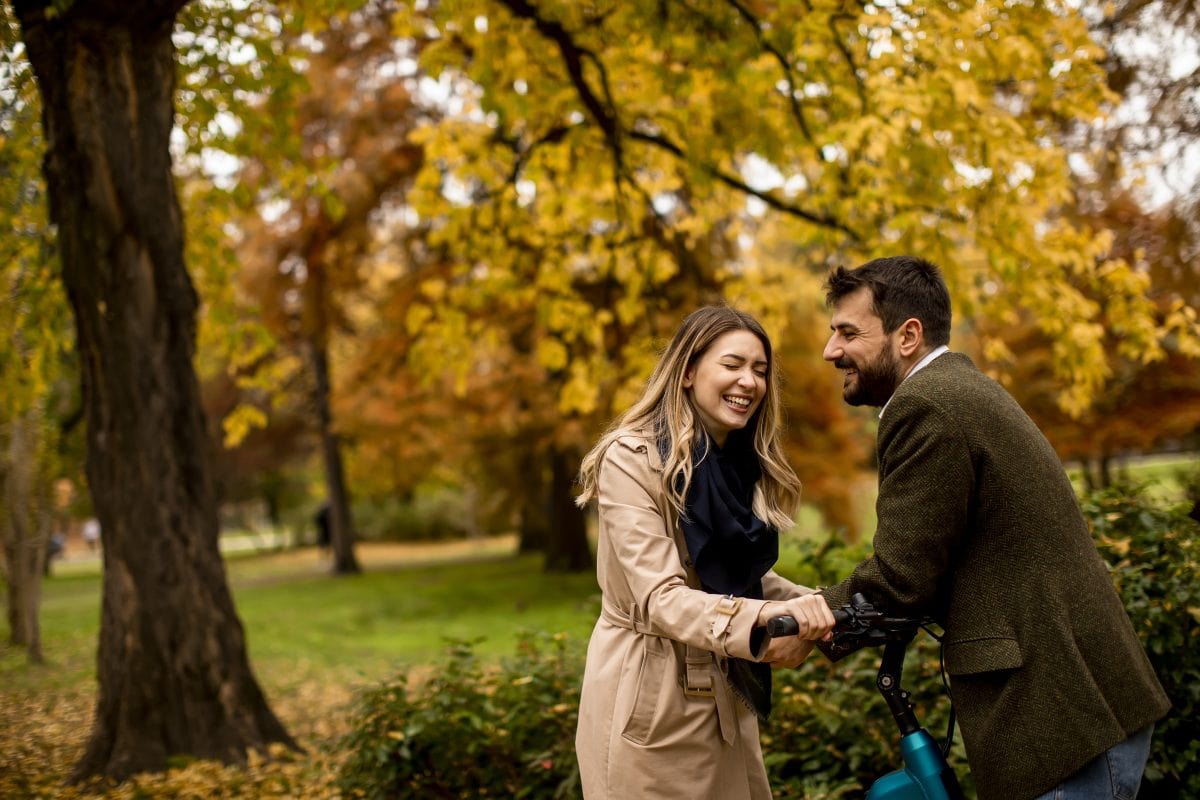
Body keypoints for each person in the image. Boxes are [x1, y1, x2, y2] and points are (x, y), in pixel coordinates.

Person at [818, 256, 1170, 800]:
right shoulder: (957, 389)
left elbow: (901, 580)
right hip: (1080, 711)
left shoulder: (926, 405)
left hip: (1061, 719)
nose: (830, 350)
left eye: (847, 332)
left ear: (907, 335)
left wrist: (807, 621)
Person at [574, 306, 835, 800]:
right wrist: (765, 619)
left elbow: (735, 578)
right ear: (689, 371)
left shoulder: (734, 463)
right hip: (650, 696)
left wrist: (822, 605)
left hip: (722, 687)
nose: (749, 382)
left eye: (760, 370)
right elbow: (663, 597)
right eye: (733, 364)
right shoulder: (632, 459)